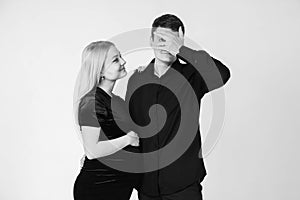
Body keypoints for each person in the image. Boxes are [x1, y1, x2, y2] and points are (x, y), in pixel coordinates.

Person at [125, 14, 231, 200]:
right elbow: (129, 126)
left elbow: (222, 74)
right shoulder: (136, 79)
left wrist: (182, 49)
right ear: (151, 41)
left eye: (172, 41)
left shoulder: (193, 76)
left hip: (183, 185)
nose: (166, 46)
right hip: (146, 187)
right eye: (161, 39)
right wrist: (102, 158)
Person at [73, 41, 141, 200]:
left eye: (121, 57)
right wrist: (128, 139)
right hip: (99, 187)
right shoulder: (91, 102)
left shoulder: (115, 100)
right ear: (101, 70)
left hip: (119, 185)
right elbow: (92, 151)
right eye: (115, 59)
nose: (123, 61)